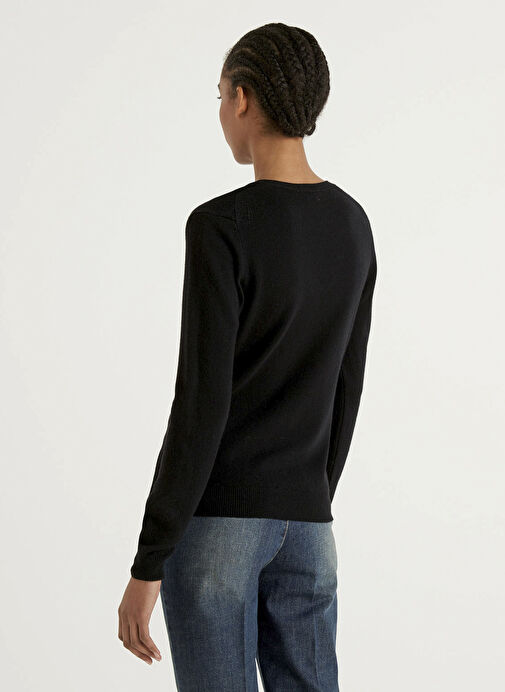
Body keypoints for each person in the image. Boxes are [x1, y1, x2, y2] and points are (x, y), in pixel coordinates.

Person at [118, 22, 377, 691]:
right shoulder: (352, 225)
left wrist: (148, 561)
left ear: (242, 98)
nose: (221, 111)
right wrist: (308, 498)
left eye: (220, 94)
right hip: (310, 526)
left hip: (218, 526)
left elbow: (200, 403)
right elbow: (346, 388)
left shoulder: (220, 226)